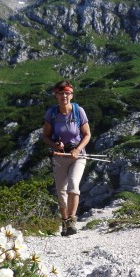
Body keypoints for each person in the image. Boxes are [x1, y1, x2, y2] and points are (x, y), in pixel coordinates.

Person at [42, 80, 91, 236]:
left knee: (73, 185)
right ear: (56, 95)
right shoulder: (52, 113)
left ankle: (72, 220)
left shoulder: (78, 111)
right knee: (61, 192)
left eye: (67, 93)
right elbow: (45, 136)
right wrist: (56, 145)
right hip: (60, 156)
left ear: (72, 95)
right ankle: (64, 223)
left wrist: (78, 149)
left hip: (78, 155)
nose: (64, 96)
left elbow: (87, 134)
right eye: (61, 93)